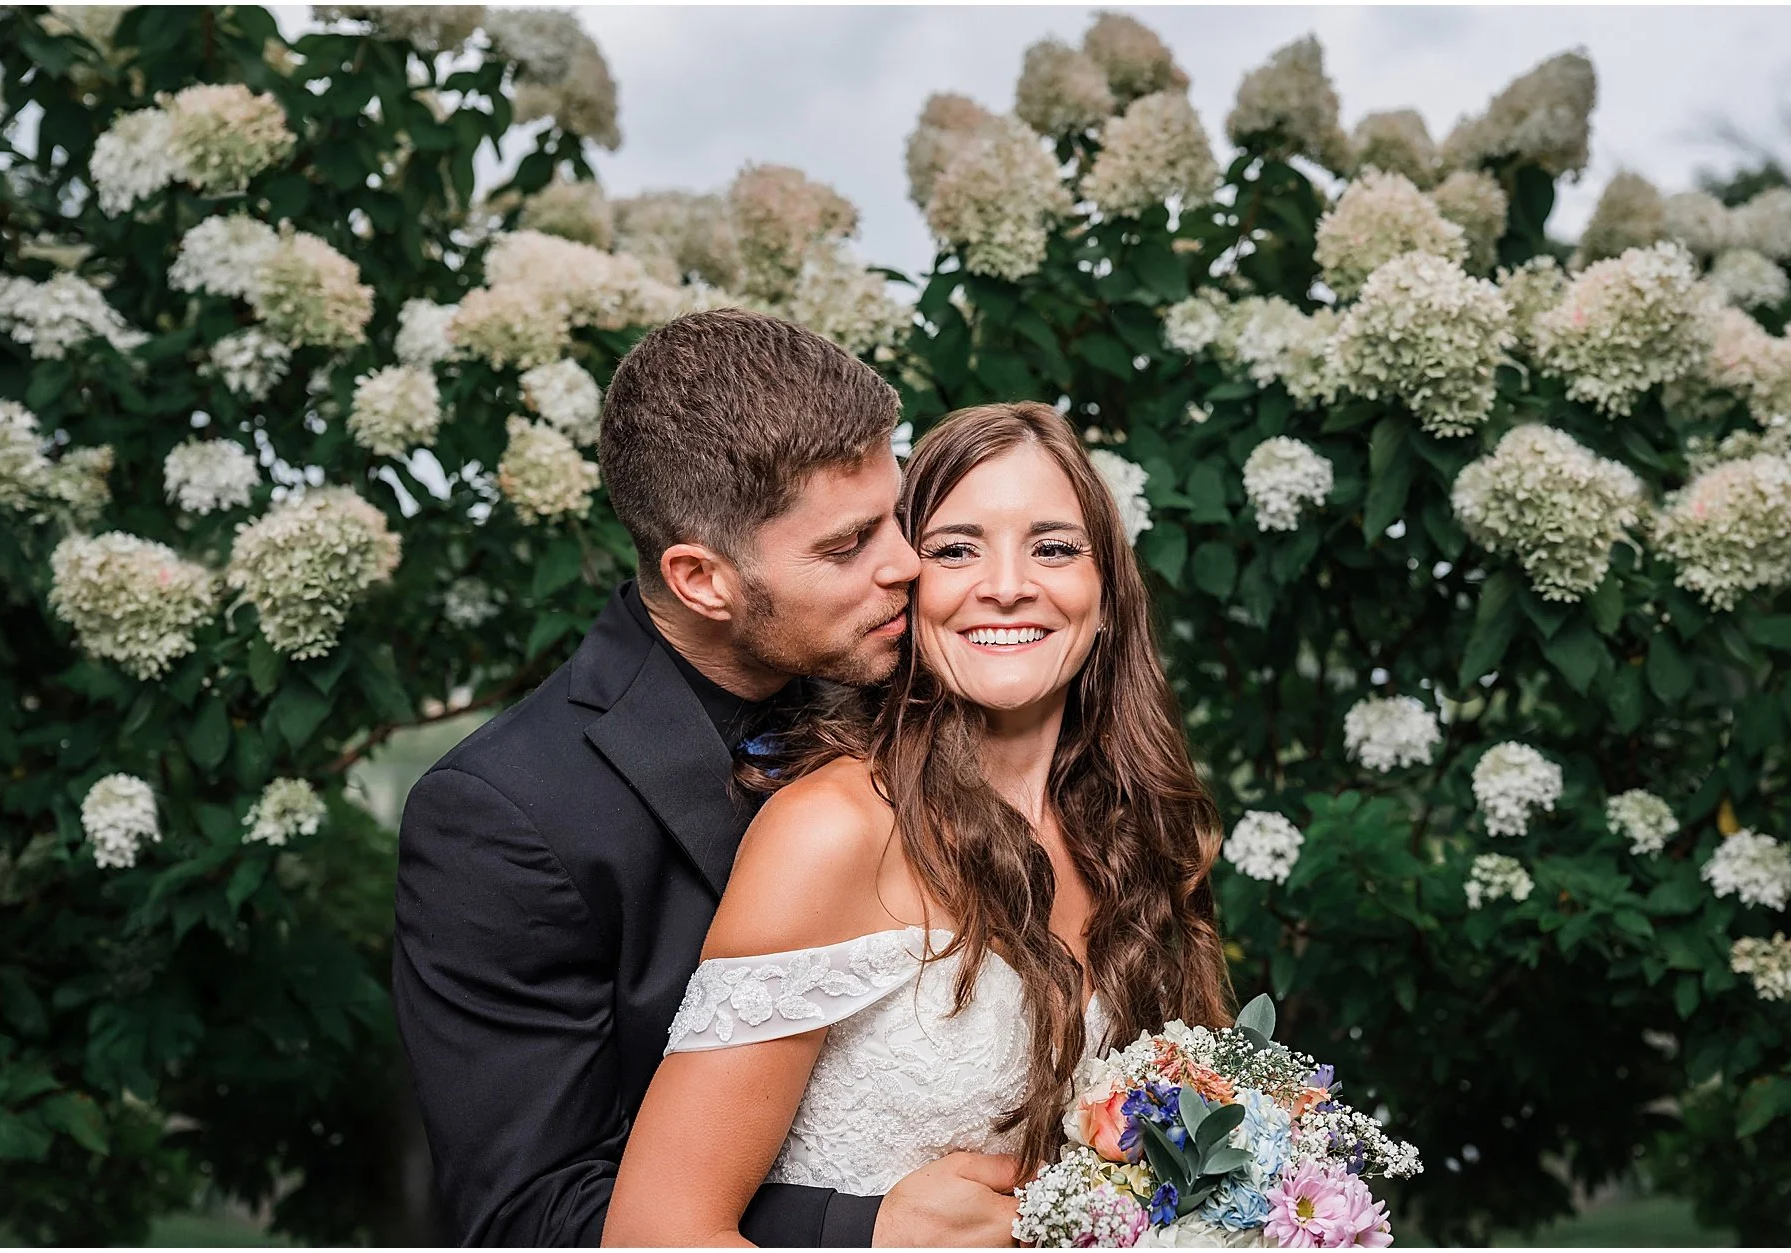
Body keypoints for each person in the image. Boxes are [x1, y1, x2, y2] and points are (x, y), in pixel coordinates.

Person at [392, 310, 1021, 1246]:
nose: (904, 563)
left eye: (895, 515)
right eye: (846, 546)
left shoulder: (925, 684)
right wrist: (863, 1229)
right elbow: (530, 1211)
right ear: (702, 579)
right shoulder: (504, 816)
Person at [601, 402, 1233, 1247]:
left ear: (1107, 592)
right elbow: (653, 1233)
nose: (1007, 584)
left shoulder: (1139, 841)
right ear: (902, 584)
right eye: (955, 548)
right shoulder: (832, 829)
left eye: (1051, 546)